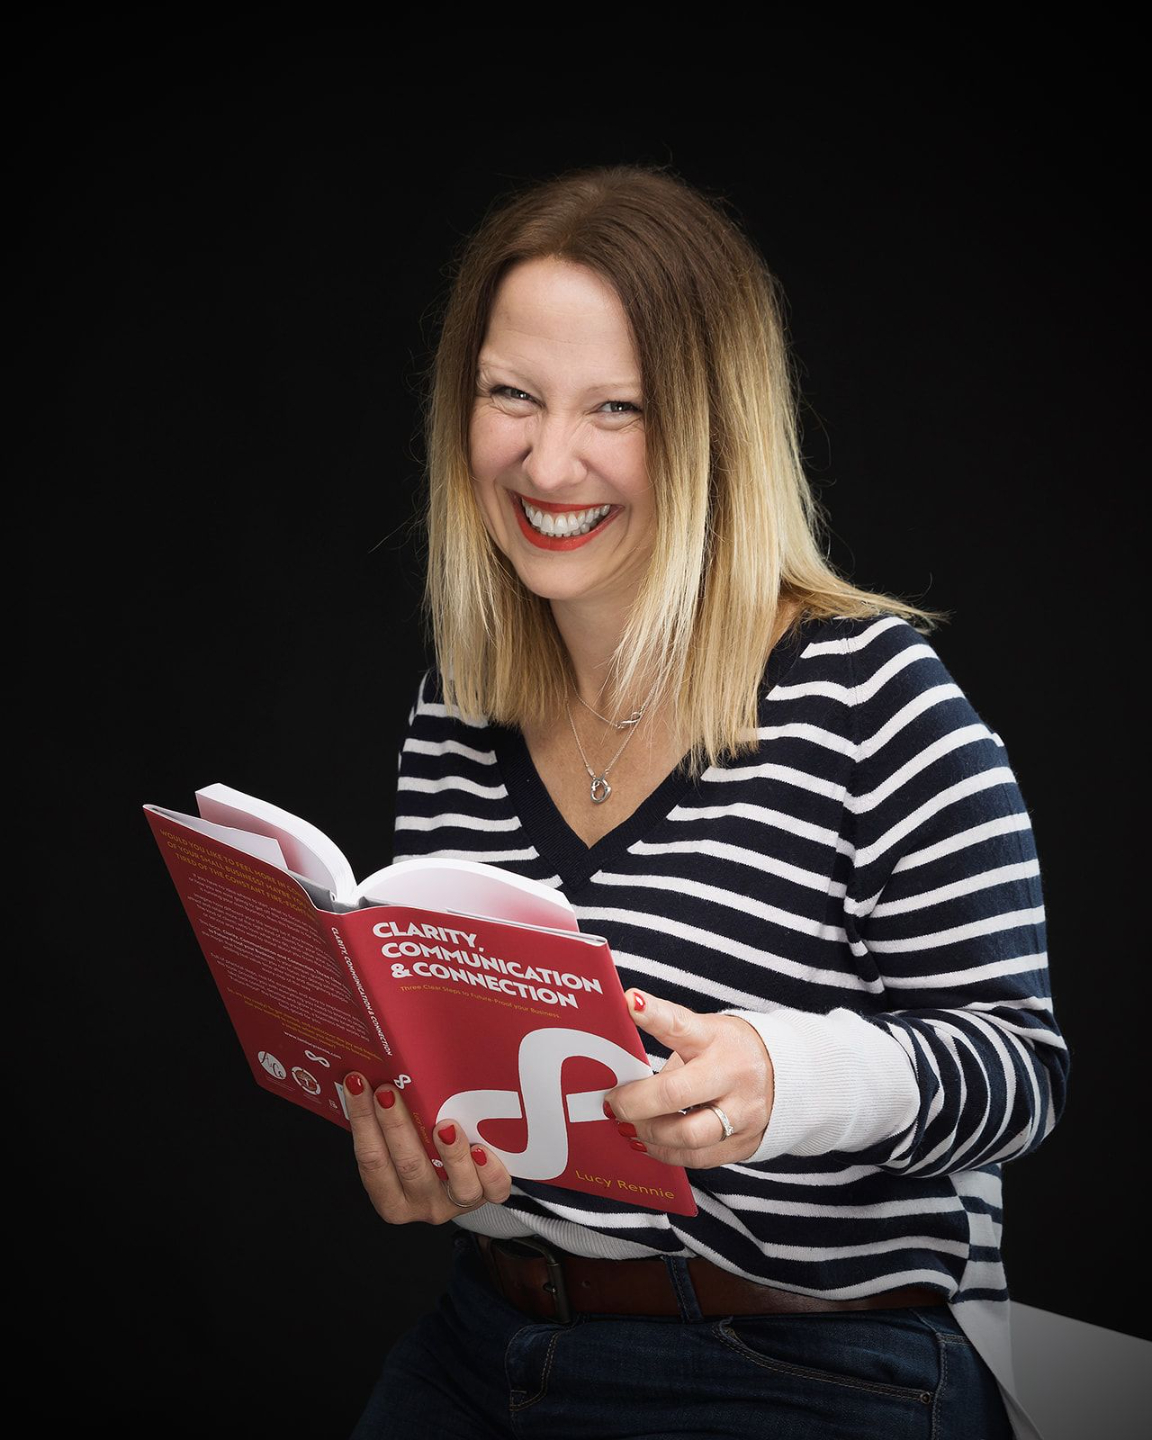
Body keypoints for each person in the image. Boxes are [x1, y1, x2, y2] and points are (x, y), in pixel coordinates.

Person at [341, 164, 1068, 1440]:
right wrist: (442, 1168)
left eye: (616, 408)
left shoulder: (870, 694)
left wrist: (790, 1076)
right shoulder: (454, 713)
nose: (547, 460)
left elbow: (1021, 1077)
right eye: (512, 395)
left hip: (809, 1364)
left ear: (713, 428)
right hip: (487, 1342)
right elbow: (498, 1095)